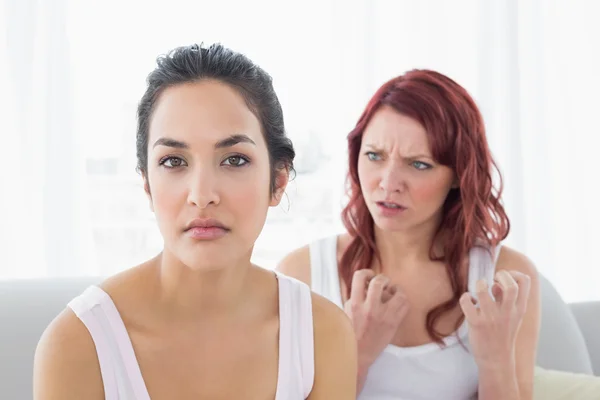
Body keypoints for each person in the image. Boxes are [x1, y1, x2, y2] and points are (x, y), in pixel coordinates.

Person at [33, 43, 357, 400]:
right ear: (147, 184)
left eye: (234, 160)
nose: (202, 195)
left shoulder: (322, 336)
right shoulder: (78, 345)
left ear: (278, 180)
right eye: (174, 161)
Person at [278, 69, 541, 400]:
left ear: (459, 174)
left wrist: (495, 363)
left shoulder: (505, 280)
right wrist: (355, 354)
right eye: (374, 156)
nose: (388, 183)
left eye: (418, 164)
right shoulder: (301, 275)